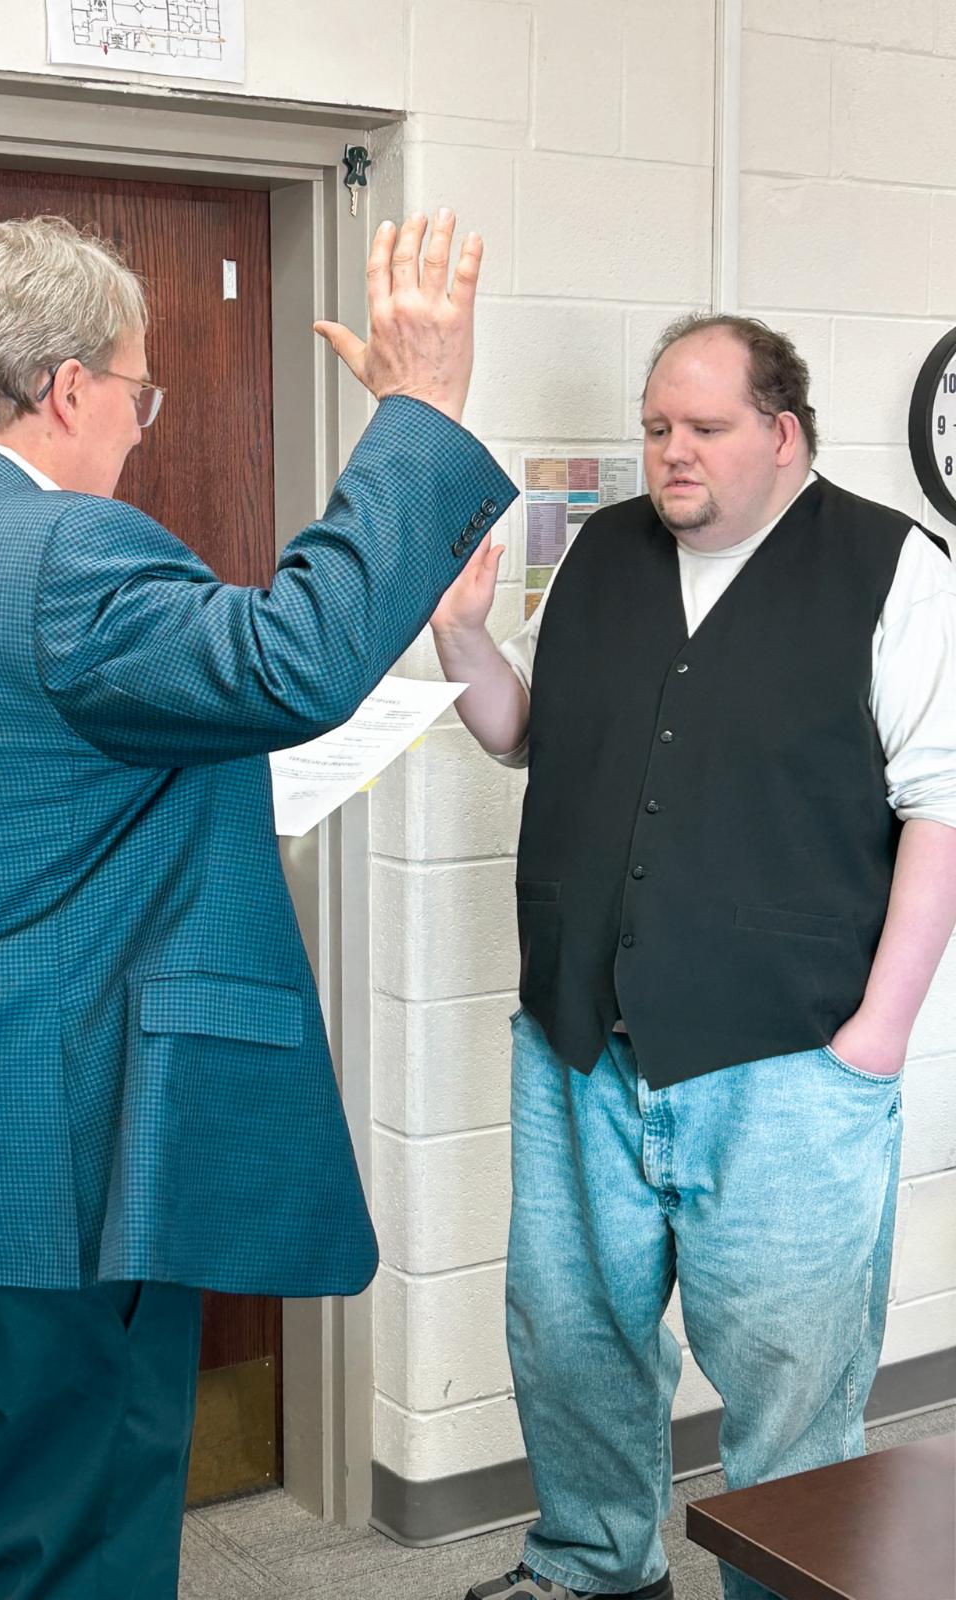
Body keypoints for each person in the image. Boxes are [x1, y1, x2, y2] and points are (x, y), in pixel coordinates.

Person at [0, 208, 515, 1600]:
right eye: (136, 392)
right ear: (67, 389)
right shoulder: (61, 556)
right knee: (68, 1568)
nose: (137, 426)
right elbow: (296, 660)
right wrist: (417, 411)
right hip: (47, 1198)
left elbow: (20, 802)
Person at [431, 315, 956, 1600]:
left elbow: (944, 804)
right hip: (578, 1045)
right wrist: (462, 637)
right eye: (658, 426)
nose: (673, 450)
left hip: (788, 1059)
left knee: (789, 1380)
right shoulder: (601, 554)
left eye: (706, 428)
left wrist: (875, 1040)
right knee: (571, 1339)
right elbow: (525, 734)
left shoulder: (893, 568)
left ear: (784, 435)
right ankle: (592, 1566)